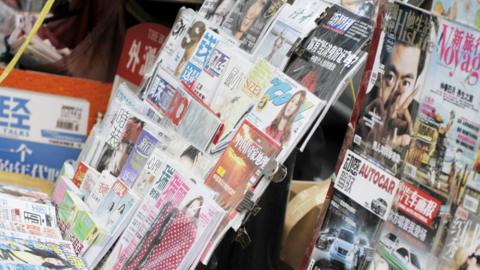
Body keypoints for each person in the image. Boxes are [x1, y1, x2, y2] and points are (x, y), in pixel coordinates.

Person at [357, 36, 427, 162]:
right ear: (380, 74)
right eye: (390, 77)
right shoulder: (361, 108)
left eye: (405, 83)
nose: (395, 91)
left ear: (415, 87)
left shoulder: (417, 126)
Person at [0, 243, 73, 269]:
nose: (53, 261)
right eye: (57, 260)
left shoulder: (37, 266)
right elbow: (14, 245)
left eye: (57, 264)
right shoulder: (37, 252)